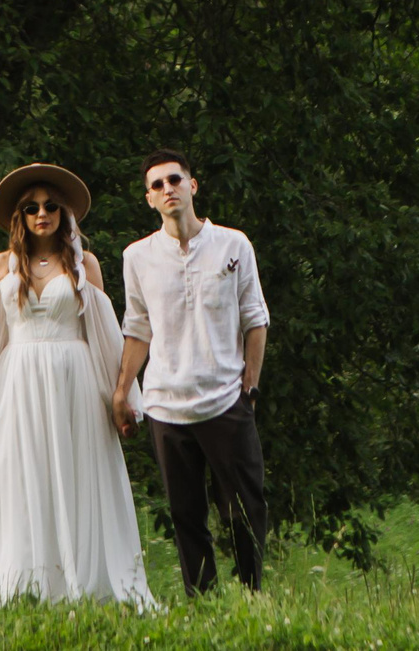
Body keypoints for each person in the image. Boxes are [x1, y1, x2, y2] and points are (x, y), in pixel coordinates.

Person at [0, 162, 156, 610]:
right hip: (18, 383)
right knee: (20, 476)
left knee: (76, 471)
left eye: (52, 206)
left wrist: (120, 397)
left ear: (64, 213)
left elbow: (102, 337)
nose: (43, 213)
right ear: (19, 215)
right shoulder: (0, 267)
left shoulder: (85, 266)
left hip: (74, 382)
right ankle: (20, 580)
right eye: (33, 207)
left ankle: (83, 579)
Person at [111, 147, 270, 595]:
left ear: (192, 185)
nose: (168, 189)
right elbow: (137, 328)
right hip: (165, 404)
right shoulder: (137, 257)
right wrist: (123, 391)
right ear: (149, 198)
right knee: (186, 515)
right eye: (157, 185)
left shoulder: (233, 245)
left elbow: (255, 318)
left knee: (244, 509)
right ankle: (203, 604)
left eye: (175, 180)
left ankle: (252, 595)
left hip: (225, 401)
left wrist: (249, 388)